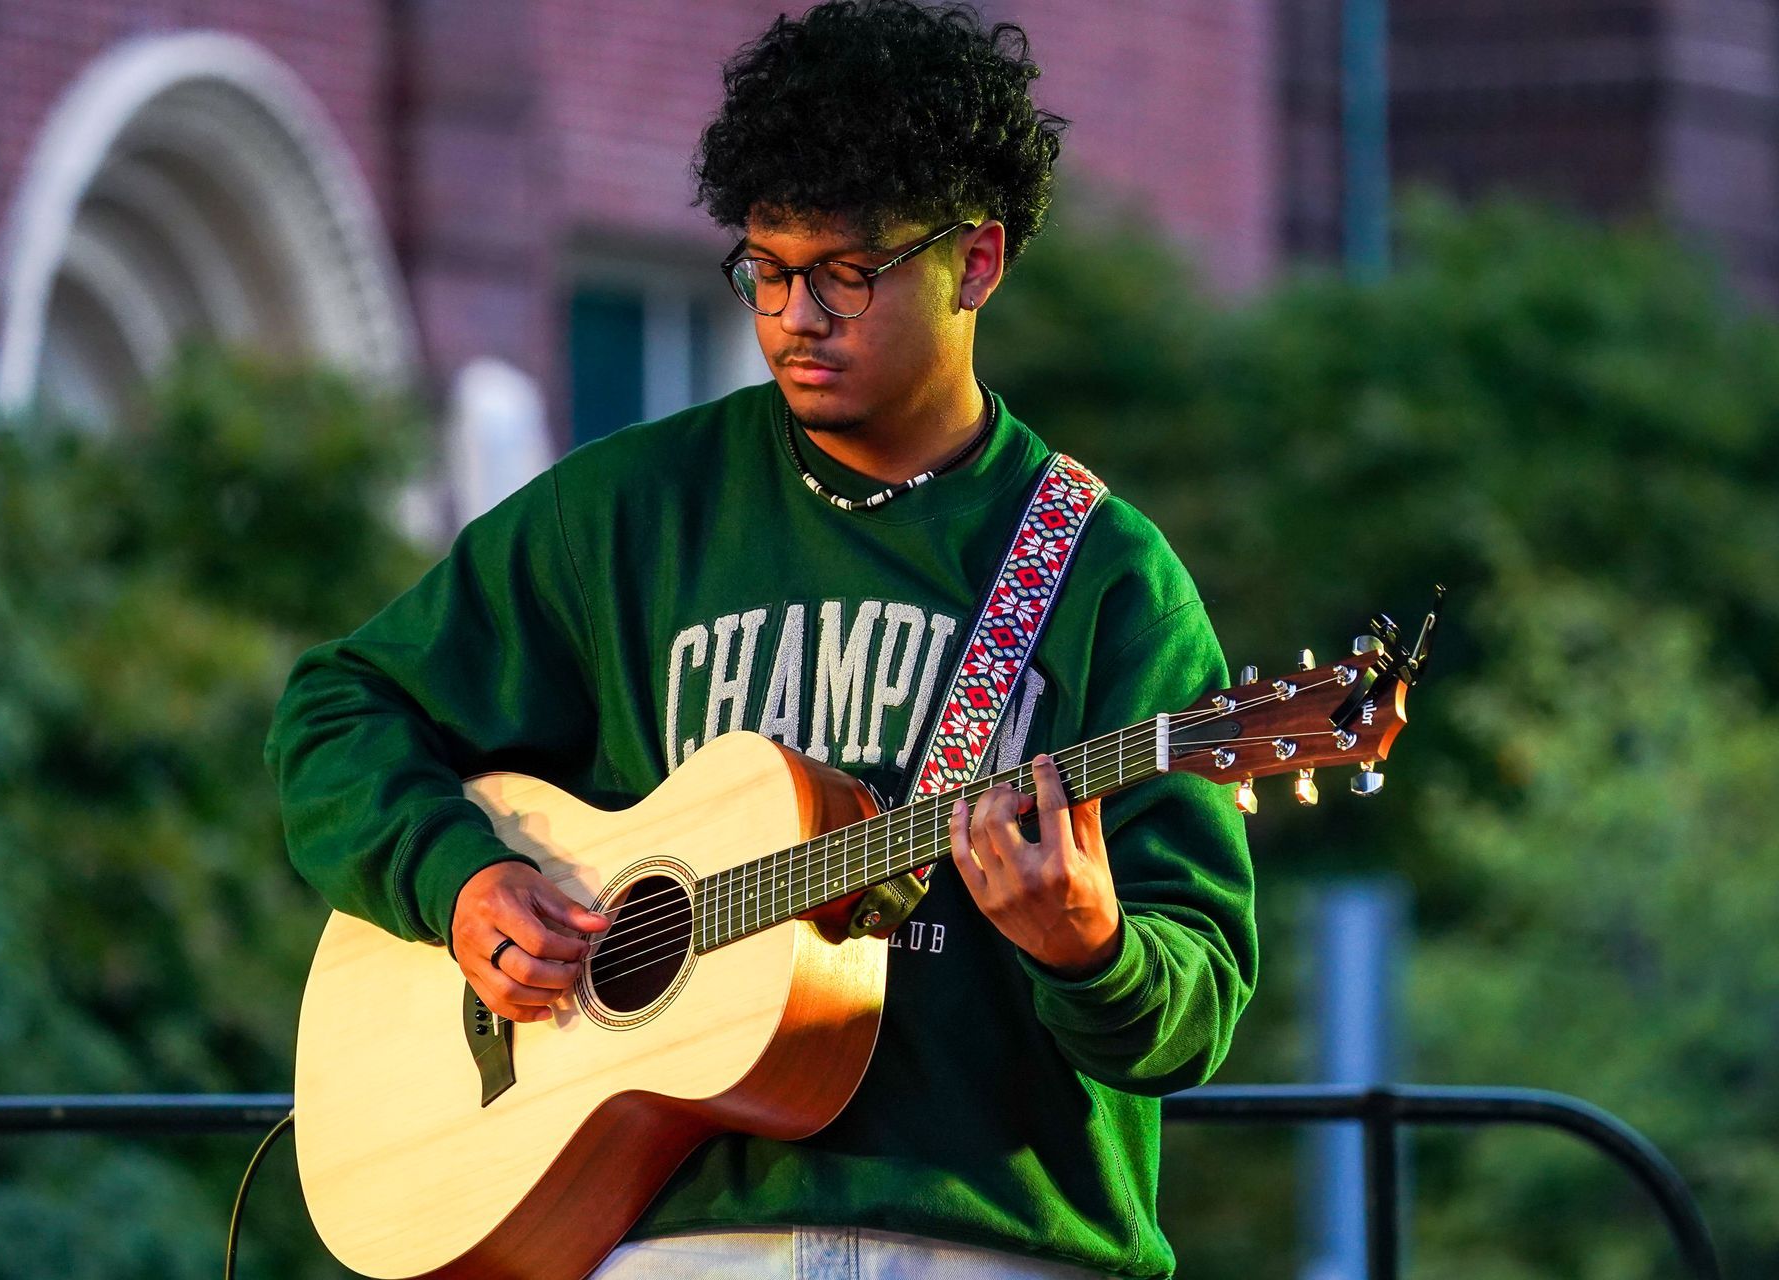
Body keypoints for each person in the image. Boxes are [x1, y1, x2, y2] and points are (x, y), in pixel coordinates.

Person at [264, 2, 1255, 1276]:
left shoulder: (1105, 574)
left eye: (848, 272)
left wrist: (1093, 945)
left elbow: (1197, 1011)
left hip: (994, 1241)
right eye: (767, 269)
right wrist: (456, 879)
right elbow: (339, 709)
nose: (795, 315)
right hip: (678, 1234)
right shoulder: (626, 512)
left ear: (981, 261)